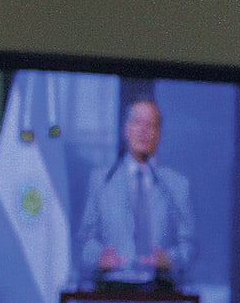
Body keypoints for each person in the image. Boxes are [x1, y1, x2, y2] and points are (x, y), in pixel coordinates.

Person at [78, 99, 195, 291]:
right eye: (137, 122)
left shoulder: (177, 185)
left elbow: (189, 244)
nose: (143, 131)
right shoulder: (101, 181)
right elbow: (85, 241)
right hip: (111, 291)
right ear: (126, 129)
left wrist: (170, 260)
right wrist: (98, 257)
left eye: (150, 125)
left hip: (161, 292)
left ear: (159, 134)